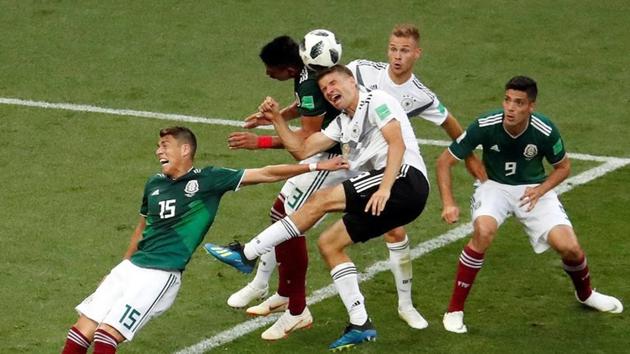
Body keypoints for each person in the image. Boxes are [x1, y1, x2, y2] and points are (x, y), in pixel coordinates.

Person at [60, 126, 347, 354]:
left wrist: (314, 168)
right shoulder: (154, 184)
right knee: (81, 328)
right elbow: (141, 229)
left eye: (165, 145)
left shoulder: (208, 180)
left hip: (160, 275)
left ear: (185, 149)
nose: (158, 150)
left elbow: (266, 173)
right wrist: (119, 270)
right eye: (158, 146)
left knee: (106, 335)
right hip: (130, 269)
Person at [206, 65, 431, 350]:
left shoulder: (377, 101)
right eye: (325, 89)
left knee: (319, 201)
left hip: (404, 179)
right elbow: (302, 151)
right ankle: (360, 323)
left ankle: (248, 254)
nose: (330, 91)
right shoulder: (342, 124)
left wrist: (386, 187)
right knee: (330, 243)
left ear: (351, 81)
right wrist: (277, 119)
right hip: (392, 191)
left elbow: (396, 142)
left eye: (334, 83)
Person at [435, 76, 623, 334]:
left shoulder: (545, 130)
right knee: (483, 231)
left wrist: (541, 190)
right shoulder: (486, 124)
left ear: (531, 107)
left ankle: (586, 294)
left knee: (570, 247)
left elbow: (564, 167)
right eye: (507, 100)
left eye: (519, 103)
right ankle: (455, 309)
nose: (510, 108)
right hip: (495, 187)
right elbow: (444, 161)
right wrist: (448, 203)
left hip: (534, 189)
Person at [345, 23, 486, 327]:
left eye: (404, 51)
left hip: (382, 164)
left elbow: (449, 122)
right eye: (393, 49)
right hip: (344, 156)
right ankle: (271, 285)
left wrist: (469, 156)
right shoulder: (362, 71)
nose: (397, 56)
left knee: (393, 229)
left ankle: (405, 305)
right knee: (304, 210)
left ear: (417, 54)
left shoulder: (419, 95)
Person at [222, 35, 353, 340]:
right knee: (279, 214)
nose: (268, 75)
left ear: (290, 69)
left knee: (291, 224)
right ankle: (280, 292)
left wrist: (263, 138)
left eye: (272, 70)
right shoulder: (308, 73)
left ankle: (298, 310)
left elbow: (304, 145)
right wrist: (278, 116)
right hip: (325, 153)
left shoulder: (310, 81)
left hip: (334, 160)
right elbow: (304, 108)